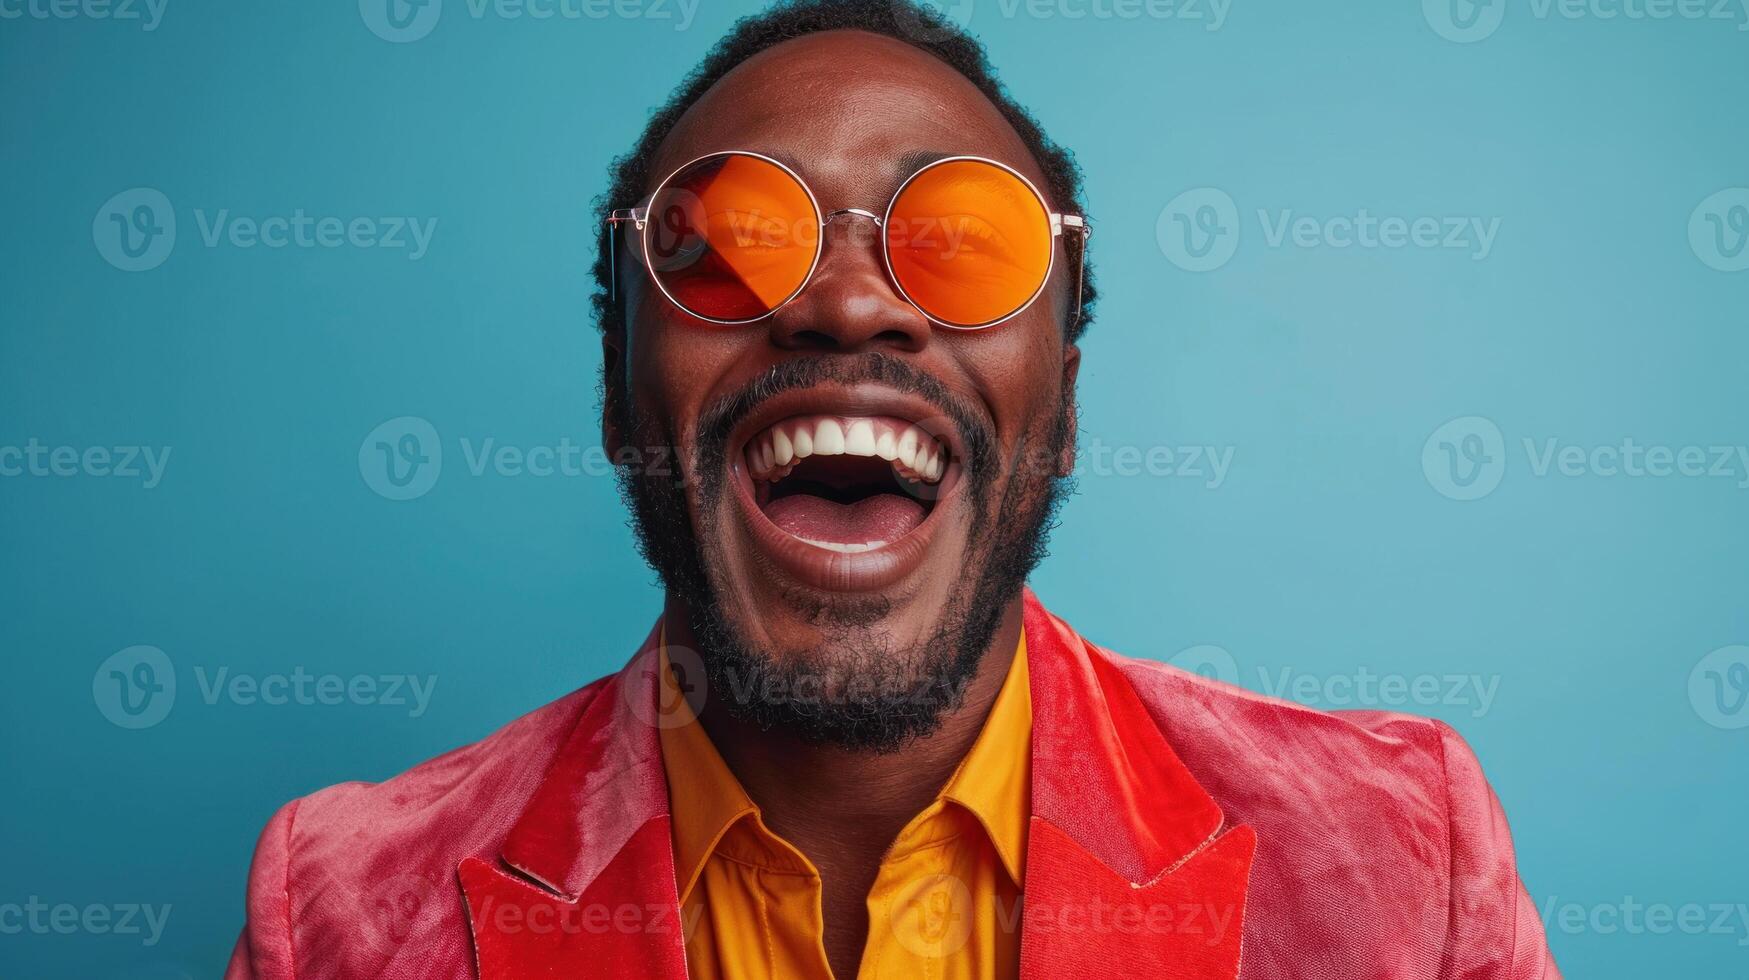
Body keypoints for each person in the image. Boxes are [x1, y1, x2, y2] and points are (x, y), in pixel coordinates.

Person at [226, 1, 1559, 976]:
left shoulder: (1399, 861)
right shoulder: (343, 911)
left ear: (1064, 408)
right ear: (617, 397)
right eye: (730, 247)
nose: (849, 300)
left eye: (960, 248)